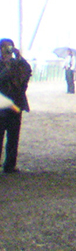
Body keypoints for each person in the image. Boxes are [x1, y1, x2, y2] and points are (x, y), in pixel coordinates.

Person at [0, 39, 32, 173]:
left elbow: (27, 71)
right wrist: (8, 68)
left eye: (9, 48)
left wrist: (19, 58)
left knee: (13, 137)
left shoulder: (17, 64)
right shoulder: (7, 66)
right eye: (4, 48)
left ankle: (10, 165)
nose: (7, 51)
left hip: (15, 105)